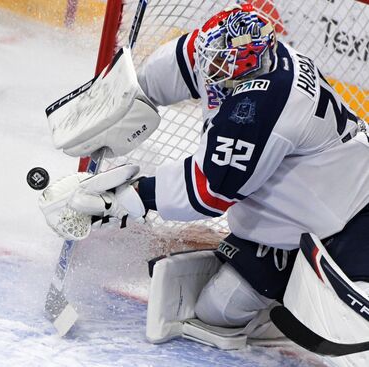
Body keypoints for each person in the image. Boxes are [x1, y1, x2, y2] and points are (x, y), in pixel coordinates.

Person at [39, 3, 369, 365]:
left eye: (219, 69)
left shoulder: (262, 107)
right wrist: (123, 100)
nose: (210, 71)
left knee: (350, 346)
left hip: (354, 217)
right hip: (297, 219)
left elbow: (208, 190)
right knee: (218, 312)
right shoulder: (235, 51)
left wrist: (127, 198)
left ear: (249, 72)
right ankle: (288, 283)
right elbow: (181, 65)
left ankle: (301, 293)